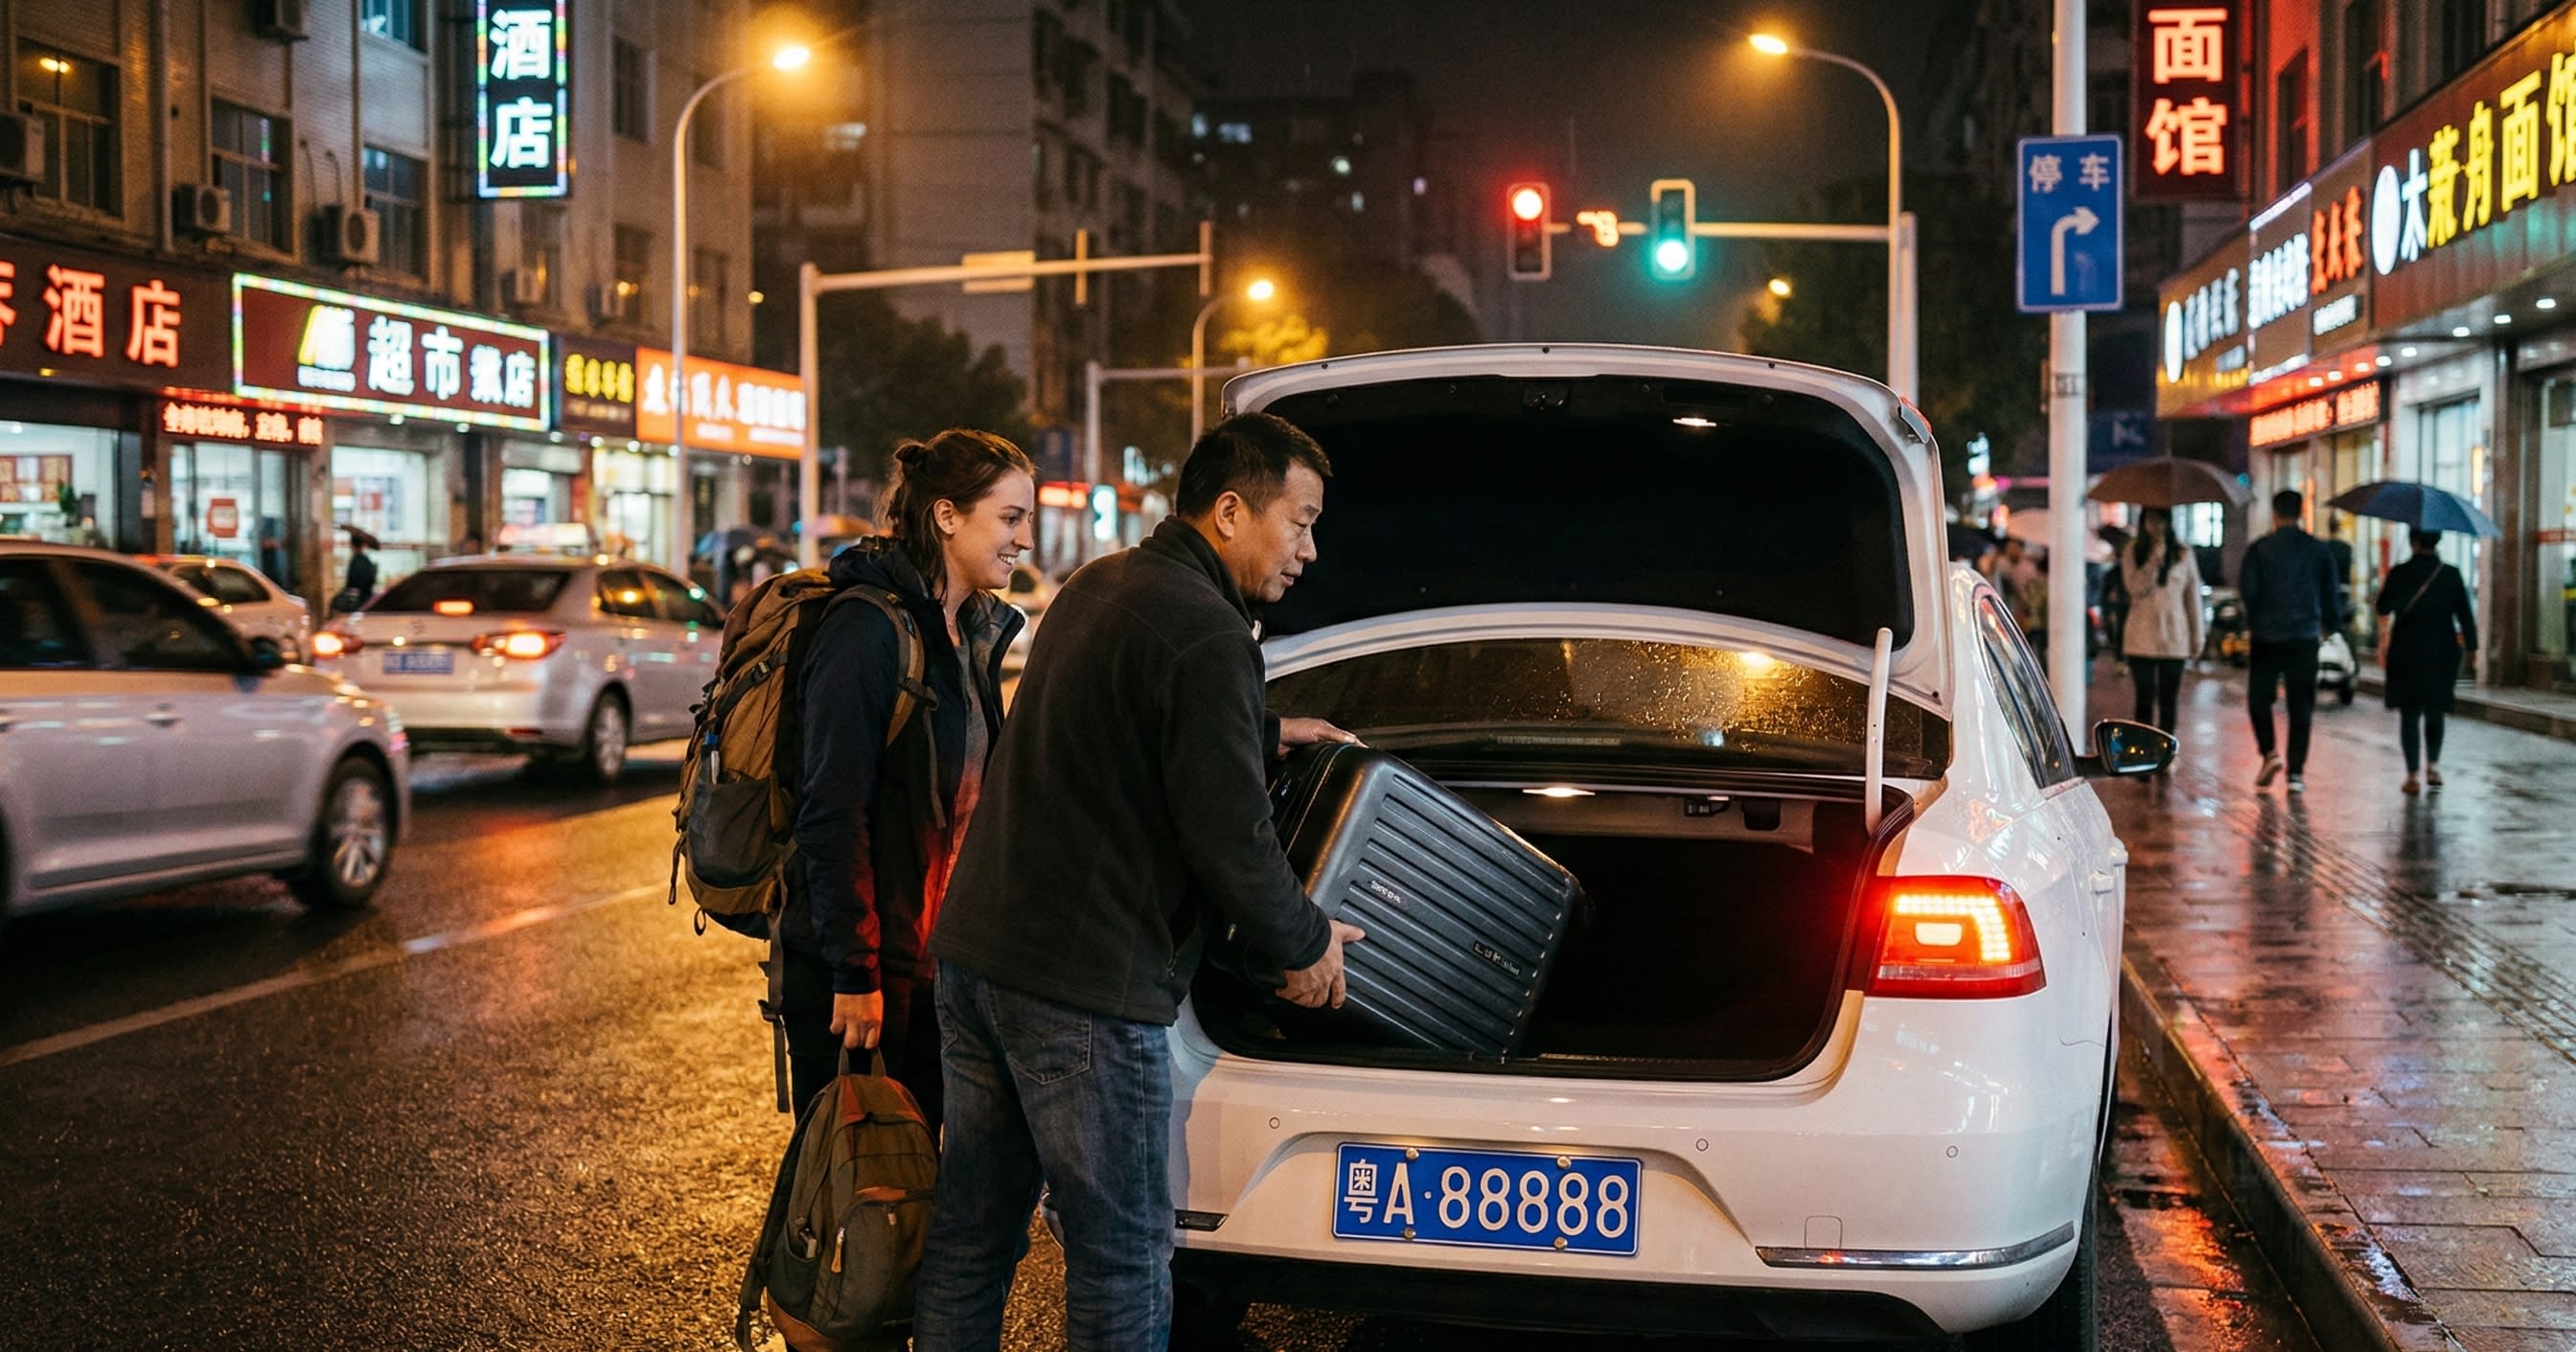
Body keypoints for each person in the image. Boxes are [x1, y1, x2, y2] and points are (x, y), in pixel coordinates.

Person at [914, 413, 1365, 1352]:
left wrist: (1266, 728)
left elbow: (1119, 717)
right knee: (1120, 1259)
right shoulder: (1209, 633)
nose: (1311, 550)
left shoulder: (1103, 582)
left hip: (978, 959)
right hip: (1081, 990)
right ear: (1231, 512)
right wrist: (1306, 942)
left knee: (970, 1240)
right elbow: (1231, 837)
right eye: (1301, 521)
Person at [784, 428, 1036, 1126]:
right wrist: (854, 973)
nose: (1024, 540)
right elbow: (832, 811)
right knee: (865, 1176)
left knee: (929, 1170)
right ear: (947, 515)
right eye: (1010, 518)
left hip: (936, 965)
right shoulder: (865, 632)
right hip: (868, 976)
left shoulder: (970, 635)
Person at [2239, 489, 2341, 792]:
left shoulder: (2260, 549)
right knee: (2301, 705)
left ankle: (2269, 752)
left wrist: (2254, 621)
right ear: (2300, 512)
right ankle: (2296, 773)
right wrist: (2331, 626)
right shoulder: (2318, 550)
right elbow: (2330, 593)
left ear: (2275, 513)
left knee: (2259, 698)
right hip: (2304, 637)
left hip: (2267, 637)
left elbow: (2249, 591)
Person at [2375, 529, 2477, 794]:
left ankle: (2411, 775)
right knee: (2435, 709)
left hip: (2407, 652)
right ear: (2437, 541)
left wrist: (2391, 584)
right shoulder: (2451, 574)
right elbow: (2465, 615)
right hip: (2441, 652)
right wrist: (2472, 648)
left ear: (2414, 542)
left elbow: (2382, 607)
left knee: (2409, 714)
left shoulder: (2400, 572)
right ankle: (2433, 766)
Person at [2119, 508, 2203, 733]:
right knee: (2145, 697)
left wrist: (2198, 636)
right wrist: (2153, 560)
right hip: (2141, 637)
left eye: (2161, 520)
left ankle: (2166, 747)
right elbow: (2134, 587)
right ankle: (2143, 748)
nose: (2157, 526)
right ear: (2143, 522)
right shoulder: (2133, 550)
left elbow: (2192, 596)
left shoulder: (2183, 553)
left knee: (2169, 700)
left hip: (2174, 636)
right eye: (2151, 520)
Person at [341, 538, 378, 611]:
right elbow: (372, 579)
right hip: (368, 598)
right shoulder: (367, 560)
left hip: (357, 600)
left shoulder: (355, 561)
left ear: (352, 546)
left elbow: (351, 583)